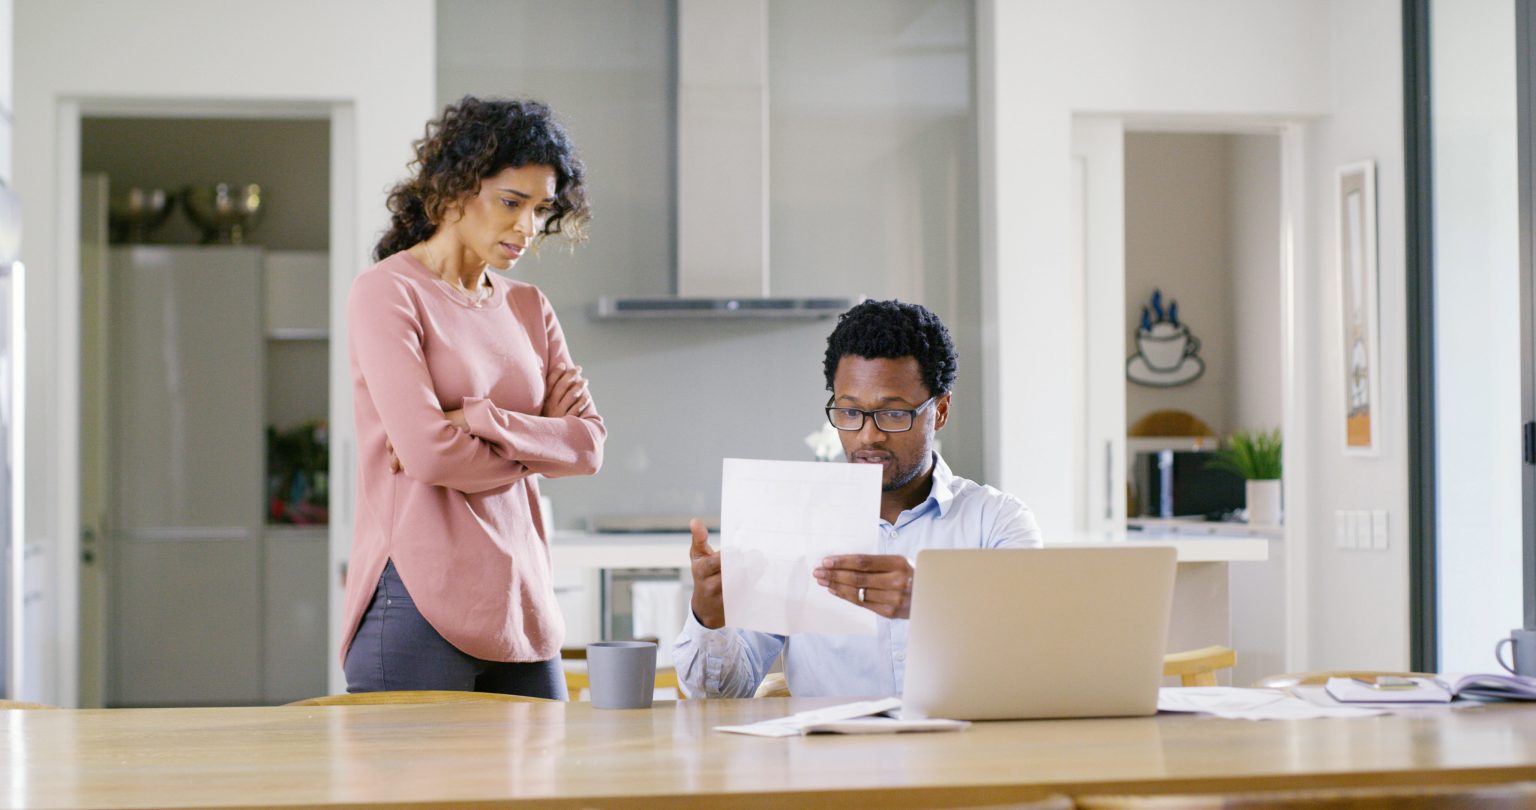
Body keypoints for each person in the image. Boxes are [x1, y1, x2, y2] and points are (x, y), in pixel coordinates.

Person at [341, 97, 605, 699]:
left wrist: (478, 419)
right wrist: (540, 449)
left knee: (548, 765)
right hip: (415, 601)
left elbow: (589, 446)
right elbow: (430, 455)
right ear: (455, 191)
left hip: (523, 607)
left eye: (541, 209)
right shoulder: (387, 293)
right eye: (512, 202)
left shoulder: (529, 307)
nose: (528, 227)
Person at [674, 299, 1042, 698]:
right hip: (829, 740)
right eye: (850, 413)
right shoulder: (792, 526)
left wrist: (935, 599)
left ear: (940, 410)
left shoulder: (997, 523)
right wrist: (710, 620)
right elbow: (722, 696)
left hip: (964, 738)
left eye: (894, 414)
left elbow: (1036, 657)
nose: (869, 436)